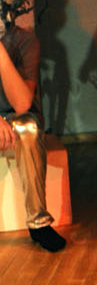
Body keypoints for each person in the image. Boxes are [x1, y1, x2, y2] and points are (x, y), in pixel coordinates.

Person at [1, 19, 66, 251]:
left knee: (27, 127)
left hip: (14, 118)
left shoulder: (24, 41)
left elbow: (22, 103)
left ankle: (39, 224)